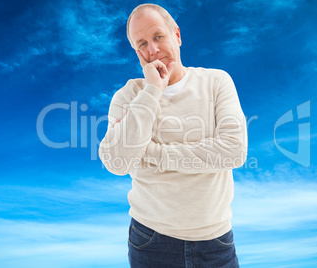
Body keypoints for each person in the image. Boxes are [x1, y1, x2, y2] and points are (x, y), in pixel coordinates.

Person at [99, 3, 247, 267]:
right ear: (136, 51)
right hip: (151, 241)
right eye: (142, 44)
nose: (152, 50)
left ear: (176, 35)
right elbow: (117, 162)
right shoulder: (129, 96)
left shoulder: (216, 82)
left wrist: (150, 152)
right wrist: (152, 91)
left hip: (216, 242)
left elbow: (233, 151)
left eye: (158, 37)